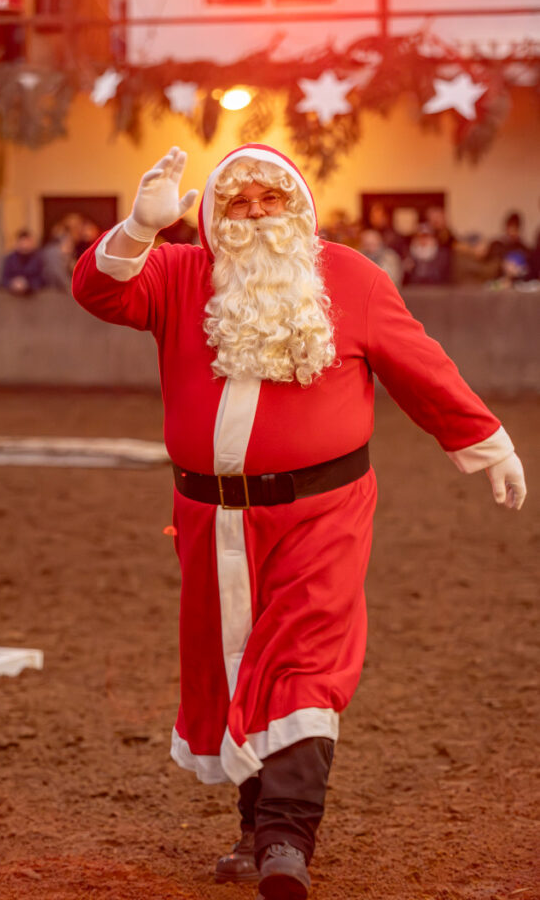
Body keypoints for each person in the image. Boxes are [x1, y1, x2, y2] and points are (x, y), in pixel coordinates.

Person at [72, 145, 526, 900]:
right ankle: (255, 833)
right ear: (214, 215)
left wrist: (485, 444)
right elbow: (99, 294)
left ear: (298, 206)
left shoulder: (350, 277)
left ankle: (286, 839)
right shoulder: (181, 272)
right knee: (235, 666)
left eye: (268, 200)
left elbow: (420, 366)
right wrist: (137, 229)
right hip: (210, 521)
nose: (253, 215)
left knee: (304, 667)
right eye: (236, 203)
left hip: (321, 513)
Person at [1, 229, 44, 295]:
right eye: (22, 242)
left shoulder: (38, 259)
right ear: (17, 243)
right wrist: (13, 284)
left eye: (27, 242)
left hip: (33, 299)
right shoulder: (9, 260)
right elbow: (3, 279)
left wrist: (27, 284)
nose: (25, 245)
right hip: (11, 299)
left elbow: (42, 279)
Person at [41, 223, 74, 291]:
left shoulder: (65, 254)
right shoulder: (52, 253)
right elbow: (59, 273)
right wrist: (71, 287)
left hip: (57, 289)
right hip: (50, 289)